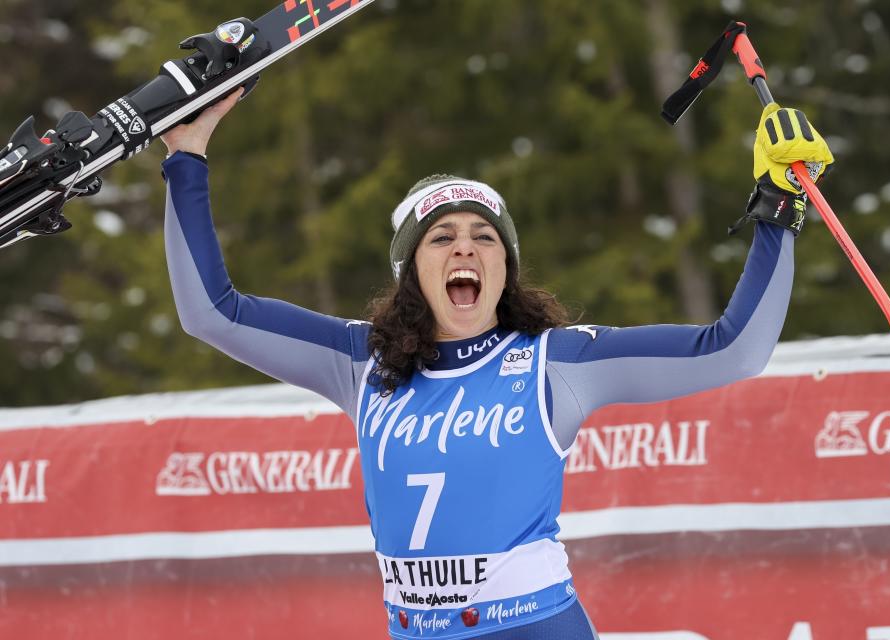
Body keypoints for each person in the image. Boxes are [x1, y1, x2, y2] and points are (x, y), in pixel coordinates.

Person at [159, 86, 833, 639]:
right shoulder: (359, 362)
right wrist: (186, 159)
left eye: (486, 238)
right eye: (442, 238)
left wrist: (779, 207)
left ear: (504, 269)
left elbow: (734, 348)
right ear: (409, 270)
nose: (466, 250)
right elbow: (214, 313)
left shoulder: (554, 361)